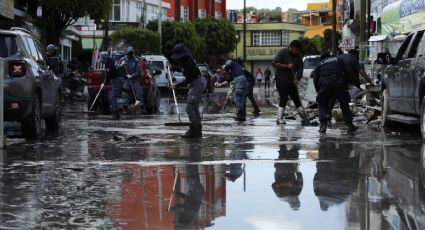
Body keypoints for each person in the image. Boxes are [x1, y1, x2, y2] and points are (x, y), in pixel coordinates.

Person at [312, 52, 357, 134]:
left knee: (322, 104)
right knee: (344, 104)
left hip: (325, 84)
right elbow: (347, 71)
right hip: (339, 83)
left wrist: (318, 90)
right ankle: (350, 125)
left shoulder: (320, 63)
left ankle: (323, 126)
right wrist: (346, 84)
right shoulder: (338, 59)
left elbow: (315, 78)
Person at [170, 43, 207, 138]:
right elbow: (184, 71)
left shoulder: (188, 62)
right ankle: (197, 130)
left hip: (197, 83)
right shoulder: (186, 60)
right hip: (197, 82)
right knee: (194, 108)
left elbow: (189, 79)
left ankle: (194, 130)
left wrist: (176, 85)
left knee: (190, 107)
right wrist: (173, 67)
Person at [327, 49, 373, 121]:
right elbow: (362, 72)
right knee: (347, 100)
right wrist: (370, 82)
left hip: (334, 82)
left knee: (334, 98)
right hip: (348, 84)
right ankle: (348, 119)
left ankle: (328, 115)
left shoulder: (339, 57)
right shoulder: (353, 59)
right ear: (356, 55)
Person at [272, 40, 307, 124]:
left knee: (296, 98)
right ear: (290, 47)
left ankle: (304, 117)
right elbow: (274, 63)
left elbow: (300, 69)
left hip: (291, 80)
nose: (297, 52)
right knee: (284, 98)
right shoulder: (282, 52)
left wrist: (297, 78)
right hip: (281, 79)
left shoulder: (298, 55)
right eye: (295, 50)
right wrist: (287, 66)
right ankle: (279, 118)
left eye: (298, 50)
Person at [98, 51, 123, 120]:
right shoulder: (109, 61)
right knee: (110, 96)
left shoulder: (110, 64)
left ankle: (115, 112)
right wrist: (105, 82)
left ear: (105, 58)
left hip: (117, 79)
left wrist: (104, 83)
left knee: (113, 96)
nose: (102, 62)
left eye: (102, 61)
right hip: (115, 79)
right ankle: (115, 110)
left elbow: (108, 75)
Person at [120, 47, 143, 113]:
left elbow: (138, 72)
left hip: (134, 79)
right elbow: (119, 69)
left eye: (131, 52)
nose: (130, 53)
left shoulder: (136, 60)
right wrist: (121, 65)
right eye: (129, 52)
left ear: (133, 52)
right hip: (127, 79)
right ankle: (125, 107)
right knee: (125, 91)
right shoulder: (123, 59)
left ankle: (140, 106)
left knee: (138, 91)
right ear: (127, 52)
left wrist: (132, 75)